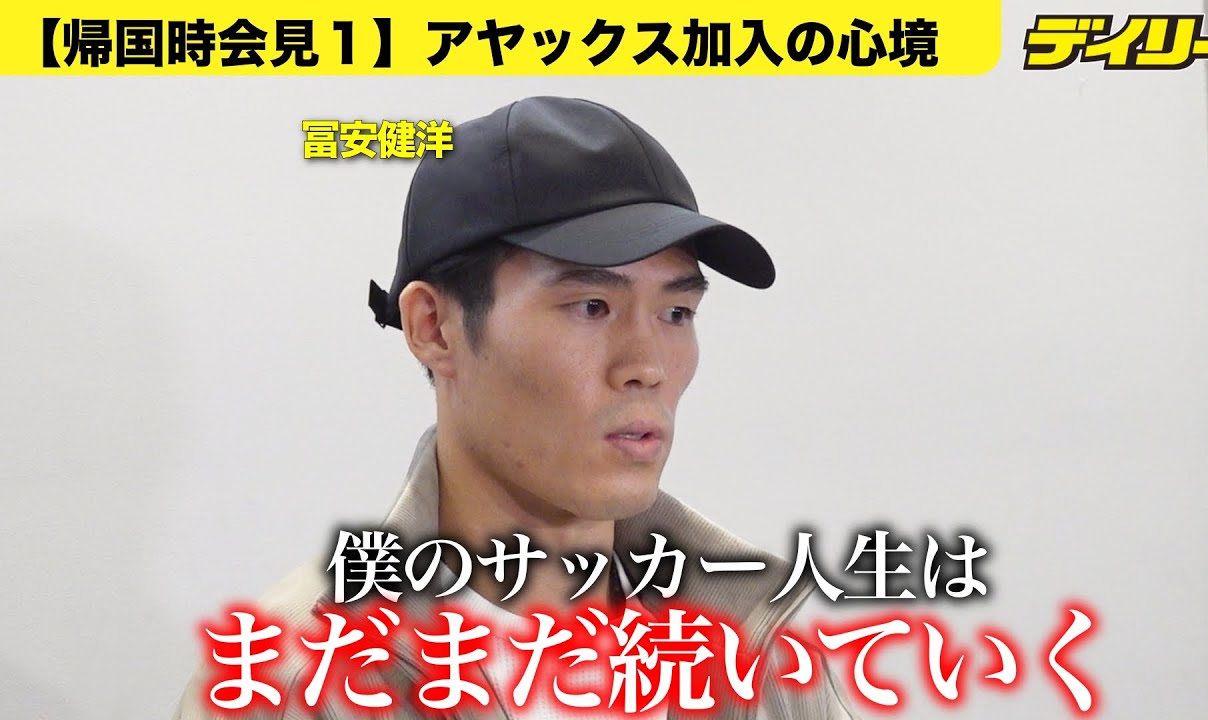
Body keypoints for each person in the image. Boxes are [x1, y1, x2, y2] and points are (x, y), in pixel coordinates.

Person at [173, 96, 857, 720]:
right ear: (433, 327)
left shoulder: (755, 643)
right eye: (591, 306)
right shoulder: (291, 681)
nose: (647, 366)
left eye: (677, 312)